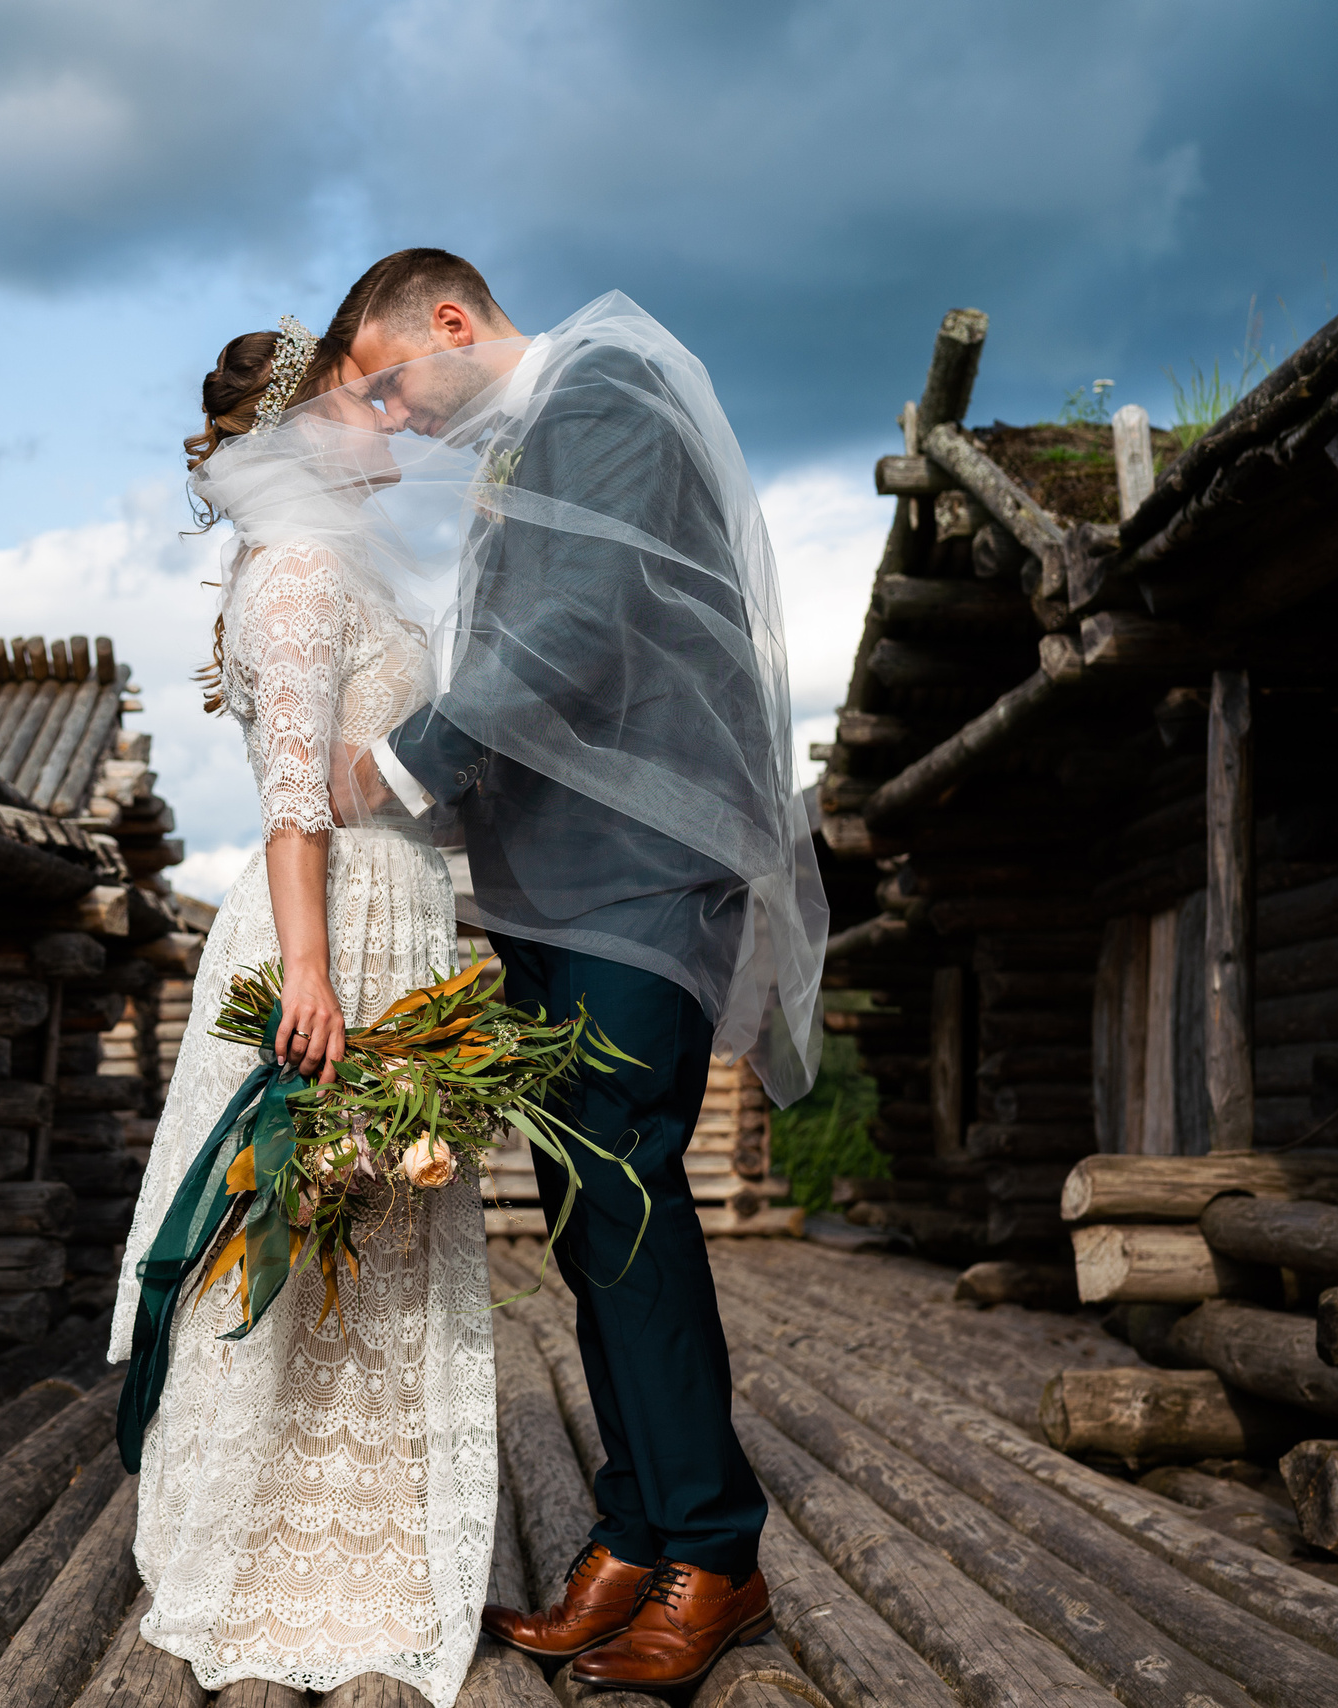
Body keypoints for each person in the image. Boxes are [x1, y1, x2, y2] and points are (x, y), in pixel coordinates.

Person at [334, 249, 829, 1692]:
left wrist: (404, 762)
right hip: (560, 880)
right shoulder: (528, 435)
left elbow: (582, 618)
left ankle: (717, 1555)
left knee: (621, 1177)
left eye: (387, 383)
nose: (397, 417)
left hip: (642, 867)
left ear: (450, 320)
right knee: (575, 1197)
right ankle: (636, 1524)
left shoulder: (605, 391)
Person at [108, 317, 497, 1707]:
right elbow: (291, 805)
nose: (391, 423)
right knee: (311, 1212)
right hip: (326, 931)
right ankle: (275, 1546)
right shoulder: (299, 569)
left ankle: (385, 1532)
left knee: (385, 1222)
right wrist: (319, 977)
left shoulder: (344, 564)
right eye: (364, 401)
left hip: (396, 919)